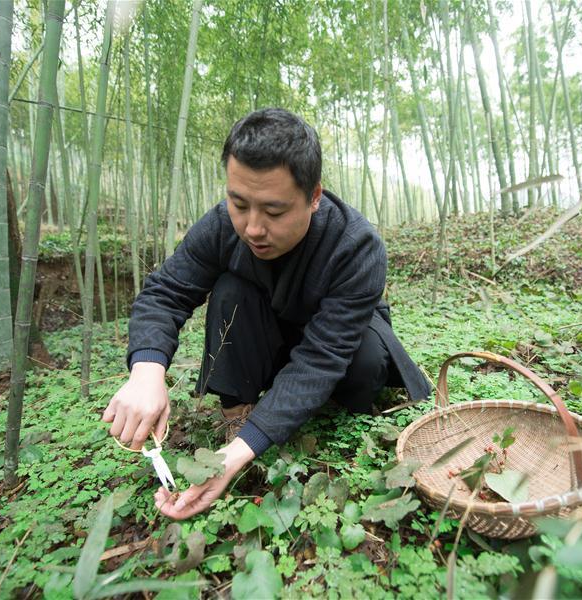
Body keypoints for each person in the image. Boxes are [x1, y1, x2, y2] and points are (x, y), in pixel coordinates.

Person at [101, 108, 430, 519]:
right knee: (230, 290)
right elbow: (166, 291)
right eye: (239, 203)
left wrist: (237, 455)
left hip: (336, 342)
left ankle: (290, 405)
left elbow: (321, 358)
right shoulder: (223, 225)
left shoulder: (357, 247)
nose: (252, 228)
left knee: (365, 363)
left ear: (314, 197)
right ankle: (240, 411)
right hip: (267, 330)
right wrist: (146, 371)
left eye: (273, 212)